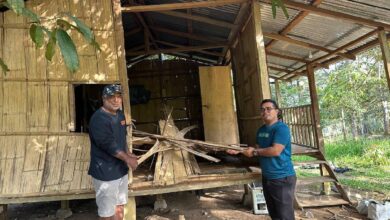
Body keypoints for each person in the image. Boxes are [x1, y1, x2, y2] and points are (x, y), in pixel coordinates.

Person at [228, 99, 296, 220]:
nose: (265, 111)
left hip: (282, 178)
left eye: (269, 108)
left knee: (285, 216)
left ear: (277, 111)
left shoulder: (281, 128)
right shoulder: (261, 130)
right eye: (262, 109)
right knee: (274, 213)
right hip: (267, 177)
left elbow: (275, 151)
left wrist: (254, 151)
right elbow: (258, 150)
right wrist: (239, 150)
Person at [88, 84, 138, 220]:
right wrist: (127, 159)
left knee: (119, 206)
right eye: (111, 97)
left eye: (118, 97)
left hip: (120, 170)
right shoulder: (98, 119)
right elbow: (108, 145)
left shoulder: (120, 116)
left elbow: (122, 139)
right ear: (104, 99)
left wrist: (128, 153)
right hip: (105, 174)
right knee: (107, 213)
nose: (116, 100)